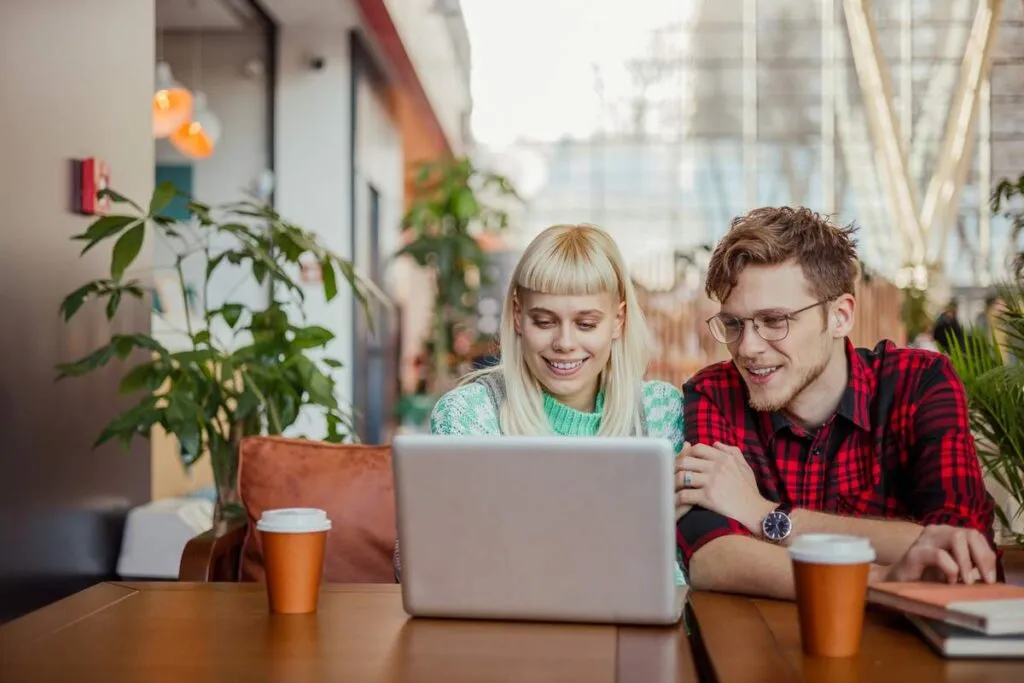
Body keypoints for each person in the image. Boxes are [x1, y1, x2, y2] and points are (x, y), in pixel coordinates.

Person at [675, 207, 998, 600]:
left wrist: (763, 514)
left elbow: (961, 549)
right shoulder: (713, 393)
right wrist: (881, 580)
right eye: (734, 324)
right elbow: (711, 556)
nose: (747, 348)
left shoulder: (919, 384)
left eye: (775, 321)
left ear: (840, 316)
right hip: (759, 648)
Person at [394, 223, 687, 583]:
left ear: (618, 321)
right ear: (518, 316)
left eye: (586, 323)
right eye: (544, 321)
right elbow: (455, 563)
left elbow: (677, 570)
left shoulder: (661, 411)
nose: (564, 342)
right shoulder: (470, 415)